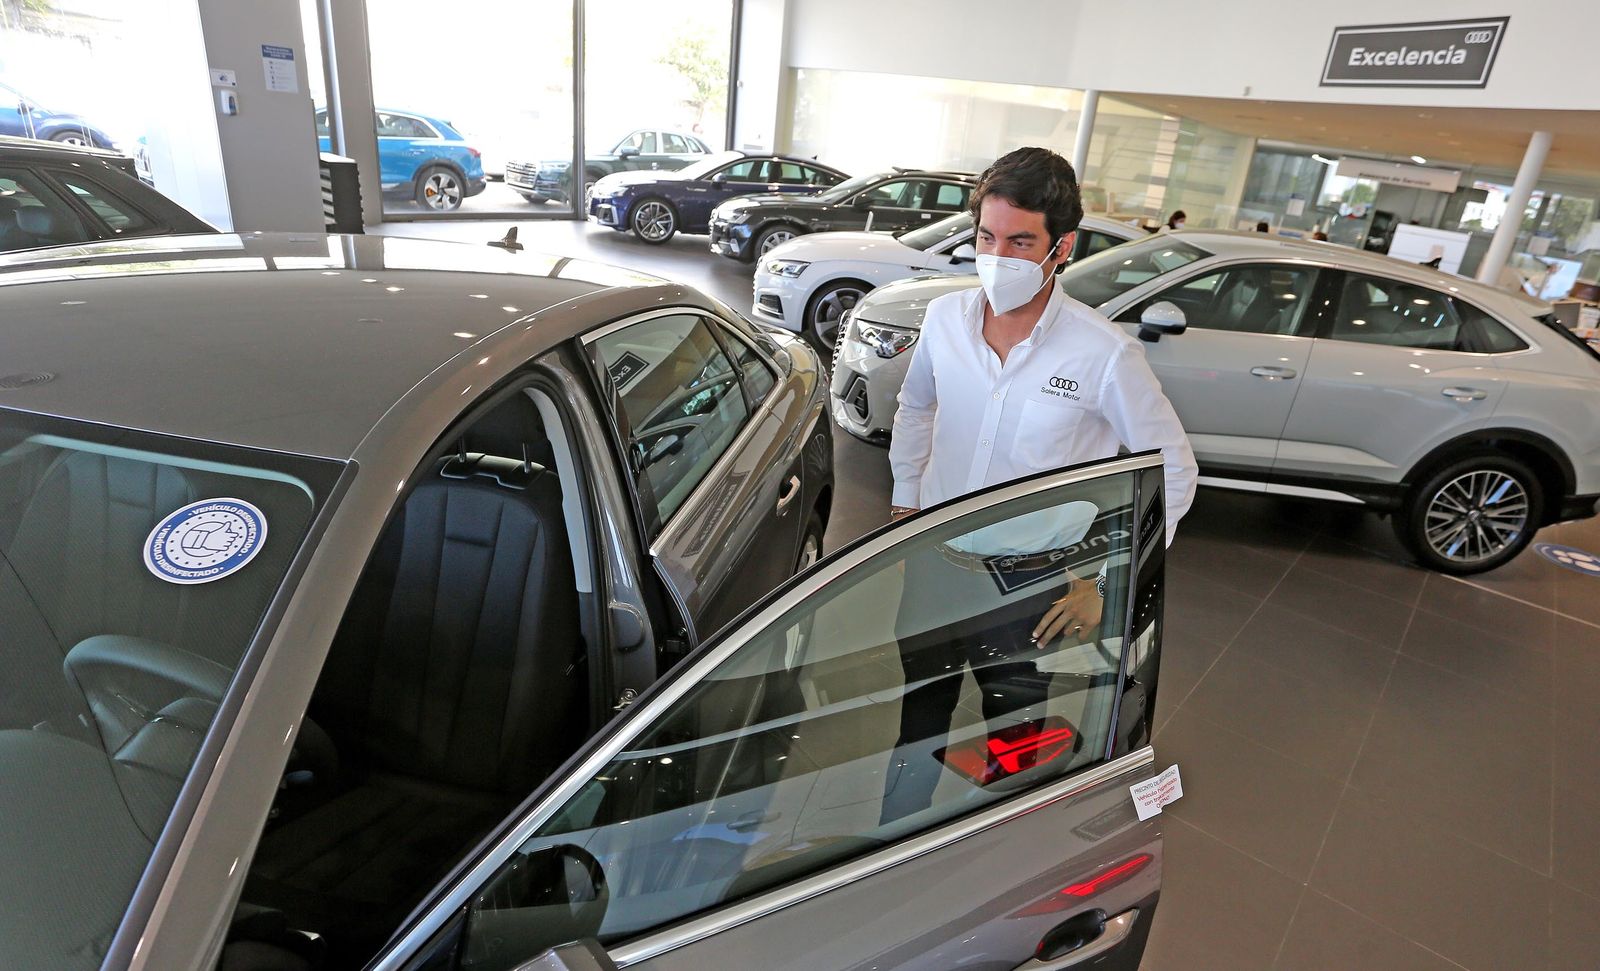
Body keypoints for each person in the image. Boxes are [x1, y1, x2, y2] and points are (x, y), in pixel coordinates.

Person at [879, 147, 1197, 823]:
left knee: (1019, 738)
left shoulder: (1102, 352)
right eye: (987, 237)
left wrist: (1106, 581)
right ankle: (895, 839)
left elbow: (1173, 468)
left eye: (1021, 242)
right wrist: (906, 503)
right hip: (935, 565)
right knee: (917, 723)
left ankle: (1009, 850)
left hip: (1035, 587)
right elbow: (916, 406)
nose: (998, 256)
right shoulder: (944, 320)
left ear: (1062, 248)